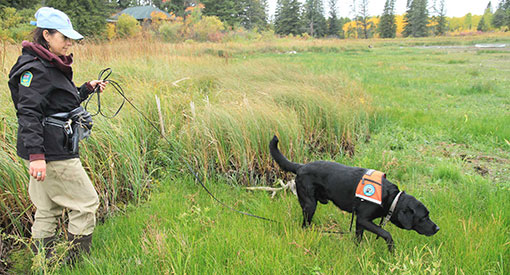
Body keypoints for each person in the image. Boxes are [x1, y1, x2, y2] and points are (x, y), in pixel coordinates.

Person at [7, 7, 107, 263]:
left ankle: (43, 264)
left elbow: (56, 100)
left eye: (71, 38)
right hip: (52, 152)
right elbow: (28, 113)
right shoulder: (35, 69)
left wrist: (85, 89)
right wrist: (38, 156)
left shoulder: (46, 64)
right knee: (86, 203)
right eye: (65, 37)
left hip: (46, 149)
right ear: (47, 35)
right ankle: (76, 263)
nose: (69, 43)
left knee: (48, 208)